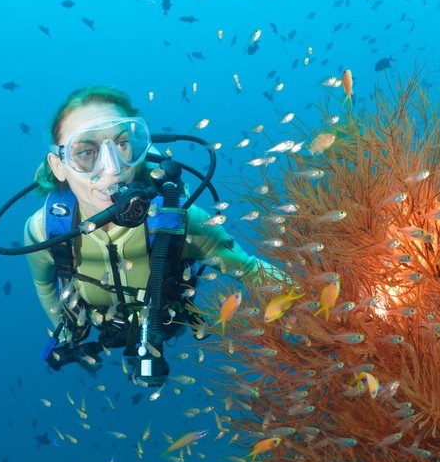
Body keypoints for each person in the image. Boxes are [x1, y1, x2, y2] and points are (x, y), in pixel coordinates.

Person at [23, 85, 279, 387]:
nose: (113, 168)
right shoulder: (45, 231)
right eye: (87, 152)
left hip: (168, 322)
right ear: (59, 166)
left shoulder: (179, 220)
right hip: (103, 326)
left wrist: (322, 305)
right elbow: (45, 285)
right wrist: (68, 333)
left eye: (121, 144)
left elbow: (249, 269)